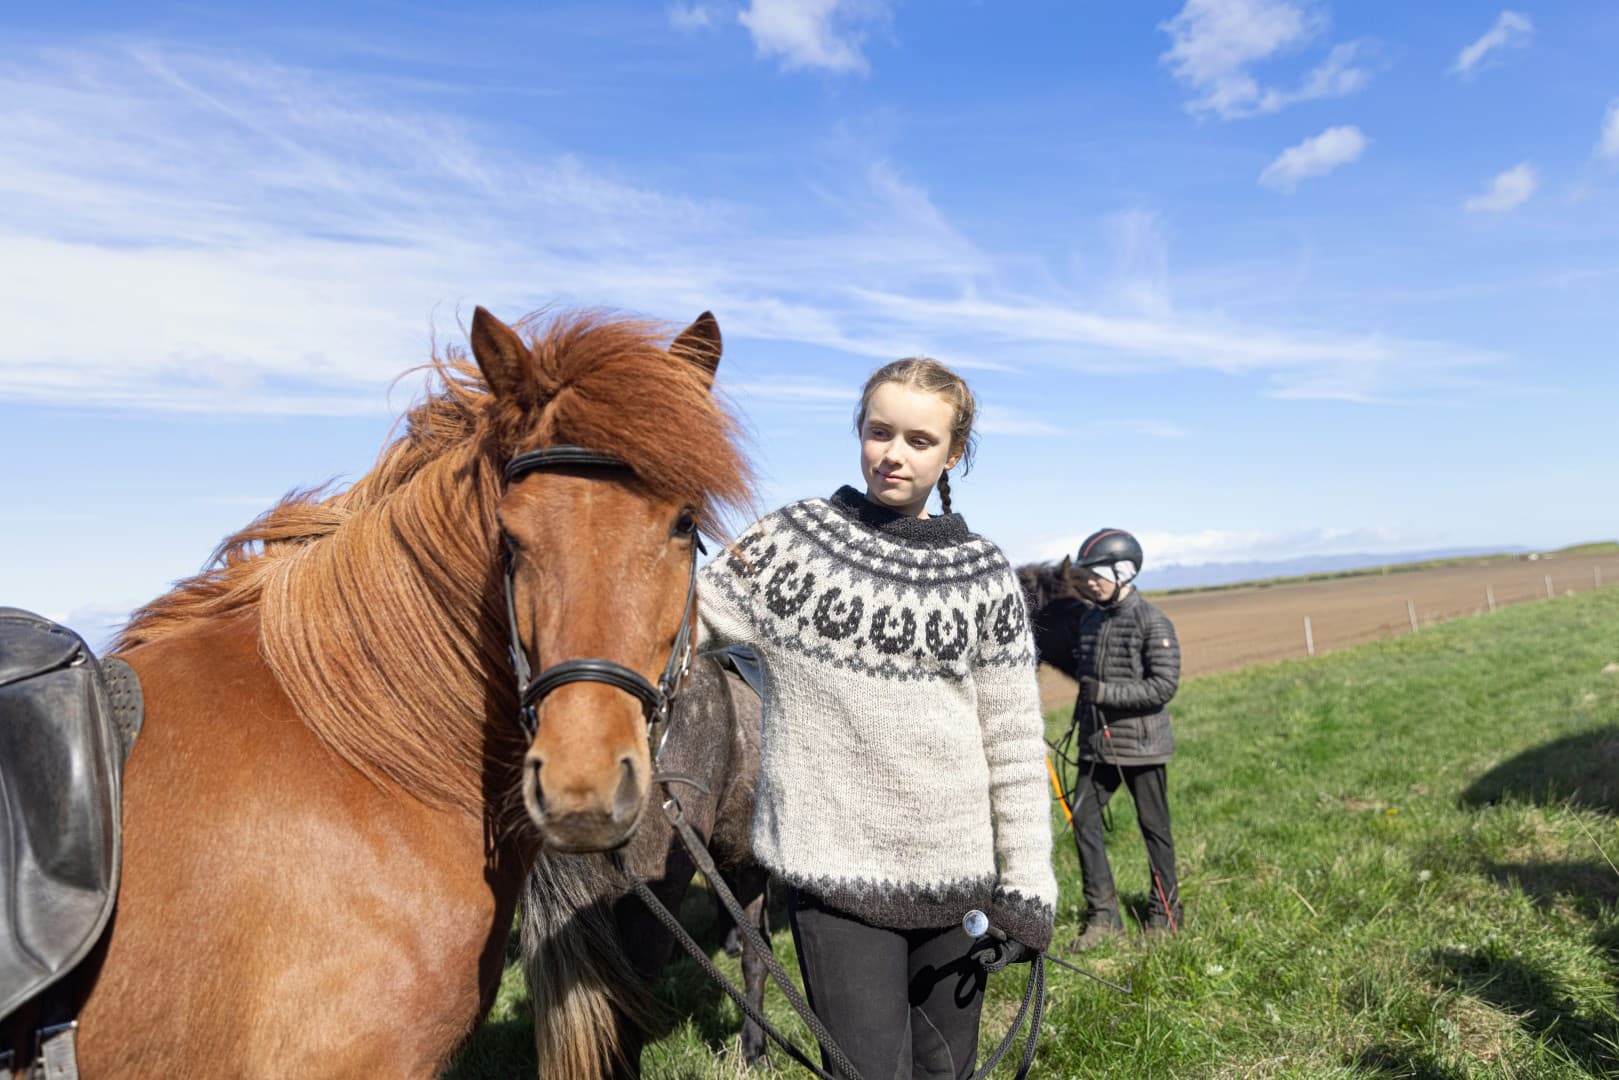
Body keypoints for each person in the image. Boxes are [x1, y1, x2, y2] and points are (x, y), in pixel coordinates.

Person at [697, 358, 1058, 1080]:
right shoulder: (788, 546)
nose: (894, 453)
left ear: (952, 453)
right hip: (833, 879)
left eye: (919, 440)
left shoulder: (981, 573)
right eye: (878, 431)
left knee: (943, 1072)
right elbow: (668, 629)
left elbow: (1014, 744)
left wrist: (1028, 885)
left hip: (959, 880)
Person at [1061, 528, 1183, 951]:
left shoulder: (1152, 621)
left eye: (1096, 574)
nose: (1089, 582)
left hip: (1142, 748)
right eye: (1087, 574)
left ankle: (1165, 916)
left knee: (1155, 831)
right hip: (1098, 747)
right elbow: (1088, 680)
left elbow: (1163, 686)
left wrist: (1105, 695)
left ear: (1123, 571)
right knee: (1083, 821)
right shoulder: (1090, 619)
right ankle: (1103, 917)